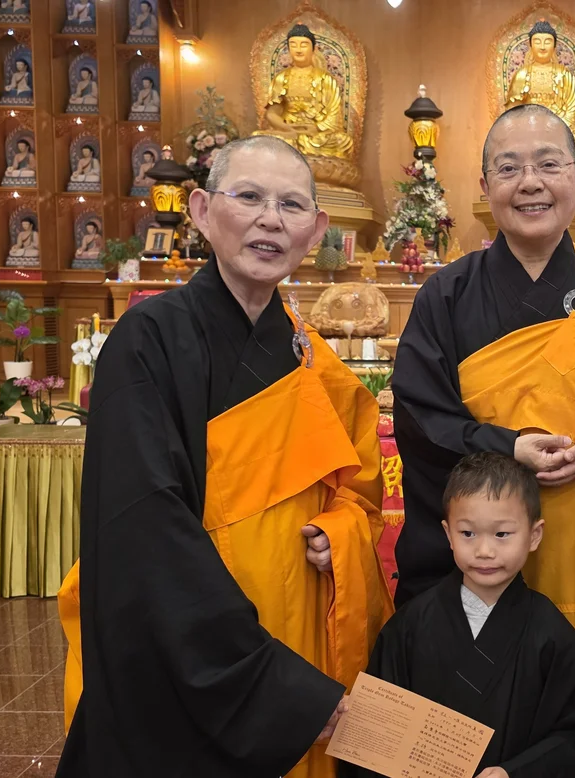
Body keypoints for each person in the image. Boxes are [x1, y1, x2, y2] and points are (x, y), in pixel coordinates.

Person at [55, 134, 393, 778]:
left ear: (316, 229)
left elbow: (359, 488)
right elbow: (145, 527)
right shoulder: (147, 339)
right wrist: (264, 681)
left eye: (292, 205)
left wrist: (341, 529)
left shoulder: (309, 355)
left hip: (294, 628)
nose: (271, 218)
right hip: (195, 645)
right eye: (249, 197)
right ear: (203, 211)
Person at [391, 103, 575, 778]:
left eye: (549, 164)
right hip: (479, 544)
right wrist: (505, 446)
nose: (531, 183)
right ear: (485, 186)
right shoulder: (447, 296)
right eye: (509, 167)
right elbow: (420, 414)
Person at [343, 453, 575, 778]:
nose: (484, 551)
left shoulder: (551, 633)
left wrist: (514, 773)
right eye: (468, 534)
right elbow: (375, 731)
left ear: (534, 535)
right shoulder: (409, 626)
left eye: (502, 534)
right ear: (448, 534)